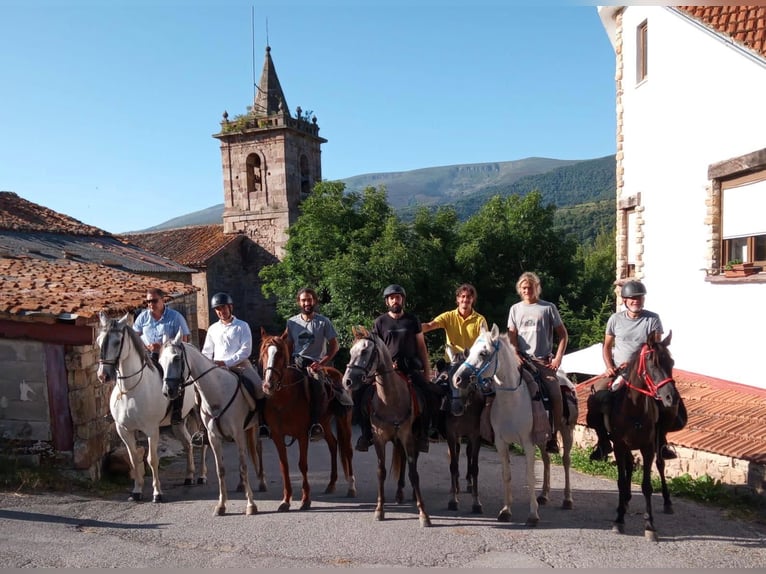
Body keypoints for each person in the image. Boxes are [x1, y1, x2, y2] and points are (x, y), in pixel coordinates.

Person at [588, 279, 677, 461]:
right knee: (597, 396)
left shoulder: (652, 318)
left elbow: (655, 349)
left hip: (644, 372)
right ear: (625, 300)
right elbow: (606, 346)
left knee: (668, 399)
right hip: (619, 372)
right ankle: (603, 442)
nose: (636, 301)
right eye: (632, 298)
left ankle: (661, 442)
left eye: (639, 298)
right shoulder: (615, 319)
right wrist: (609, 367)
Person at [358, 284, 433, 453]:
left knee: (428, 395)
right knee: (362, 396)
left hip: (410, 368)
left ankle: (424, 435)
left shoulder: (413, 320)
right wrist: (384, 364)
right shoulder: (380, 322)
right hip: (386, 369)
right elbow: (374, 348)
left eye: (398, 297)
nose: (395, 300)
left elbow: (421, 347)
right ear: (387, 302)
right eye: (392, 298)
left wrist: (427, 373)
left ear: (402, 300)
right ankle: (366, 435)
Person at [191, 292, 268, 446]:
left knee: (260, 389)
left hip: (241, 365)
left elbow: (245, 350)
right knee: (196, 391)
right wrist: (210, 364)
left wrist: (226, 362)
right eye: (218, 309)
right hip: (217, 369)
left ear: (230, 307)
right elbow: (207, 351)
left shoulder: (242, 326)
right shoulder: (212, 329)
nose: (221, 311)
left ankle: (263, 423)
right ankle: (203, 429)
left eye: (223, 308)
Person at [507, 271, 567, 454]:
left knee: (555, 394)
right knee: (500, 389)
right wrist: (515, 354)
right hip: (521, 360)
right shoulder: (515, 309)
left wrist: (557, 358)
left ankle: (553, 436)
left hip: (542, 361)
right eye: (524, 288)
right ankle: (503, 433)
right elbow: (511, 336)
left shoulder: (548, 308)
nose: (527, 290)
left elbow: (563, 335)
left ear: (536, 288)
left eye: (530, 287)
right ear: (520, 289)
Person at [285, 287, 342, 442]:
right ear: (299, 302)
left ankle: (316, 423)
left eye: (309, 299)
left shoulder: (324, 322)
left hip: (316, 363)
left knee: (317, 385)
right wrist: (287, 363)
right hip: (296, 362)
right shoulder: (291, 322)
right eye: (303, 300)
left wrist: (321, 363)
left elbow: (334, 346)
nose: (307, 303)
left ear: (314, 301)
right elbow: (289, 346)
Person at [422, 283, 488, 416]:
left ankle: (486, 428)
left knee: (488, 394)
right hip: (450, 364)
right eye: (462, 296)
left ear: (472, 300)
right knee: (436, 390)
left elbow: (485, 341)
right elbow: (430, 325)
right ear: (457, 299)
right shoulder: (448, 316)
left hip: (471, 365)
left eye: (468, 297)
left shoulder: (480, 320)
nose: (465, 299)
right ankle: (435, 426)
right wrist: (411, 327)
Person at [133, 287, 191, 424]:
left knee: (175, 379)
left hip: (168, 358)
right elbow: (135, 336)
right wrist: (147, 346)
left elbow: (185, 339)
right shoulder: (143, 317)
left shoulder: (175, 317)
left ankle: (177, 411)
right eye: (148, 302)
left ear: (162, 300)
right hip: (148, 356)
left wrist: (164, 348)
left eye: (154, 301)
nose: (150, 304)